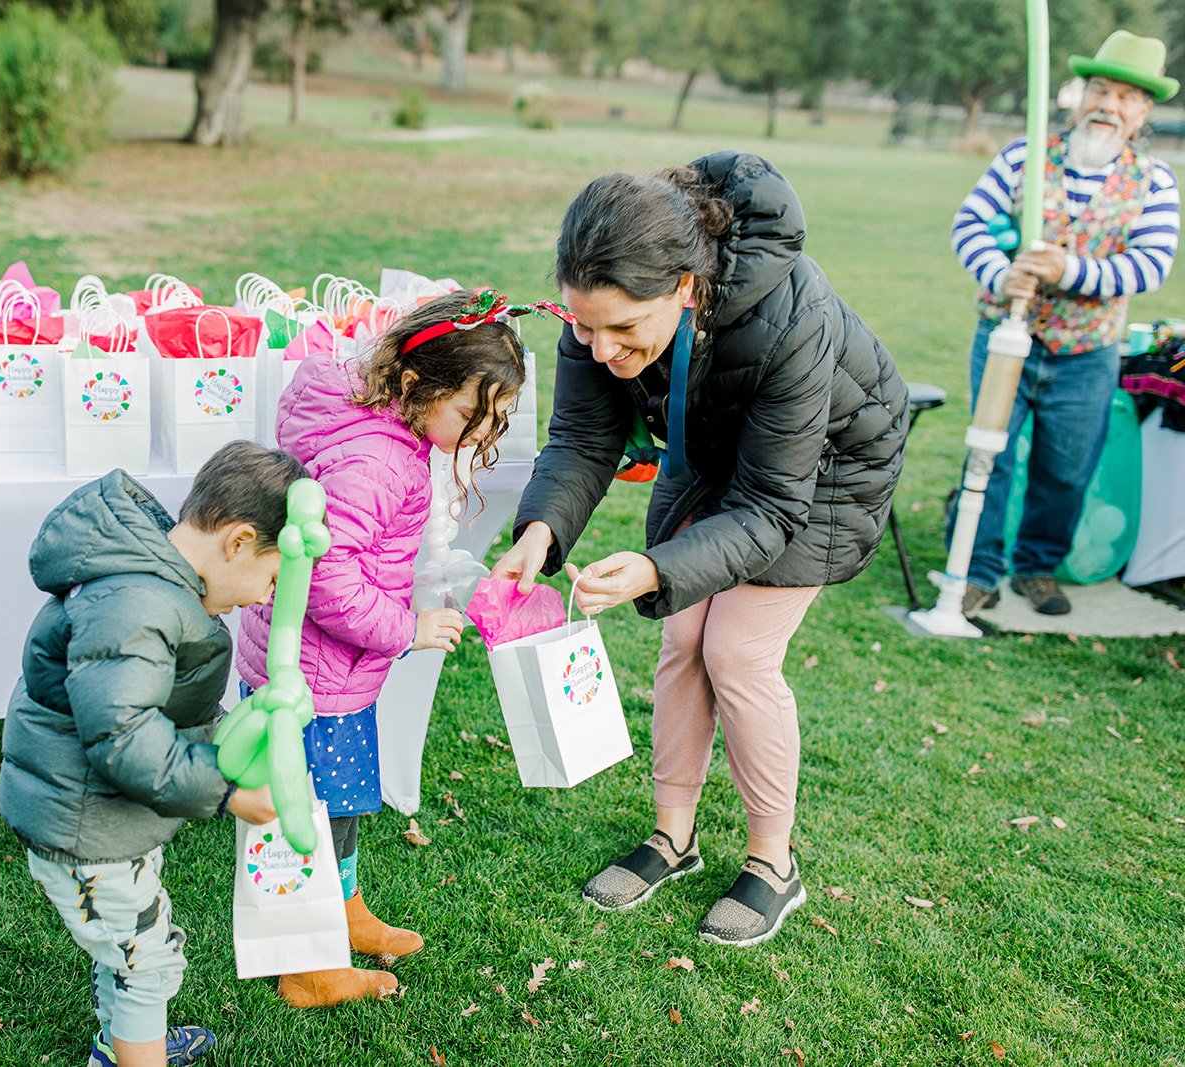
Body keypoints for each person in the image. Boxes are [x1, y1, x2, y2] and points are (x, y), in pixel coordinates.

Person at [493, 153, 909, 947]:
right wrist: (541, 531)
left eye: (624, 330)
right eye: (585, 325)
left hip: (823, 473)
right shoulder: (597, 308)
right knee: (682, 636)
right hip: (711, 450)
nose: (603, 347)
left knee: (737, 653)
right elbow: (584, 434)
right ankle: (672, 839)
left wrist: (655, 567)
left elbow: (772, 504)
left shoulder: (793, 316)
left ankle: (772, 863)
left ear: (685, 288)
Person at [237, 289, 538, 1005]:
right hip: (318, 675)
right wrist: (408, 629)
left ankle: (345, 912)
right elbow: (325, 577)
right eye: (472, 415)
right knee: (308, 818)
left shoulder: (377, 428)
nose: (478, 435)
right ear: (413, 383)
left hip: (327, 670)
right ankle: (308, 965)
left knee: (336, 805)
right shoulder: (378, 459)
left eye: (493, 420)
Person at [0, 441, 308, 1067]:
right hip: (86, 822)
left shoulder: (166, 587)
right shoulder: (139, 603)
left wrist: (233, 731)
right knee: (146, 959)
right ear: (239, 542)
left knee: (131, 946)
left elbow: (163, 711)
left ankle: (127, 1046)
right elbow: (122, 738)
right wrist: (225, 791)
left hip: (107, 817)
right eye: (272, 578)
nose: (264, 598)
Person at [948, 30, 1179, 617]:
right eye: (1100, 89)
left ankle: (1037, 566)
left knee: (1065, 468)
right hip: (1006, 340)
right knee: (990, 457)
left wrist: (1068, 269)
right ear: (1080, 95)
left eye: (1126, 97)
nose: (1109, 105)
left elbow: (1150, 266)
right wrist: (1002, 276)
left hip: (1087, 352)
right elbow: (969, 225)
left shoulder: (1156, 182)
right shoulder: (1023, 156)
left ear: (1143, 111)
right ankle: (978, 571)